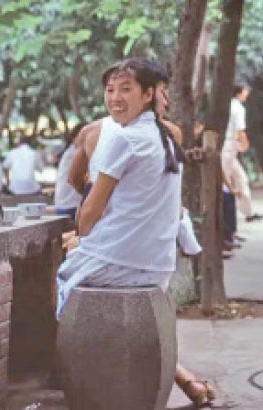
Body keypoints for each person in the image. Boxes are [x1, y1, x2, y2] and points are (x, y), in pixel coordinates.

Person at [57, 58, 214, 406]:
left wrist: (84, 231)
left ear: (147, 95)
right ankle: (182, 377)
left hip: (121, 259)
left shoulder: (116, 137)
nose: (115, 97)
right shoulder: (169, 136)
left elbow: (87, 211)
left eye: (125, 89)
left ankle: (76, 375)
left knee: (62, 277)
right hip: (158, 262)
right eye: (110, 90)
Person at [222, 84, 261, 222]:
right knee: (224, 182)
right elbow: (240, 130)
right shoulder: (238, 108)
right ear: (238, 92)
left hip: (230, 149)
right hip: (227, 148)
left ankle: (248, 212)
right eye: (245, 91)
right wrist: (245, 144)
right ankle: (225, 222)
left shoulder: (231, 106)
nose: (247, 93)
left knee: (241, 179)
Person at [53, 124, 84, 220]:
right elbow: (72, 180)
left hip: (65, 206)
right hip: (70, 206)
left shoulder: (71, 152)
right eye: (82, 137)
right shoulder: (75, 153)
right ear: (73, 138)